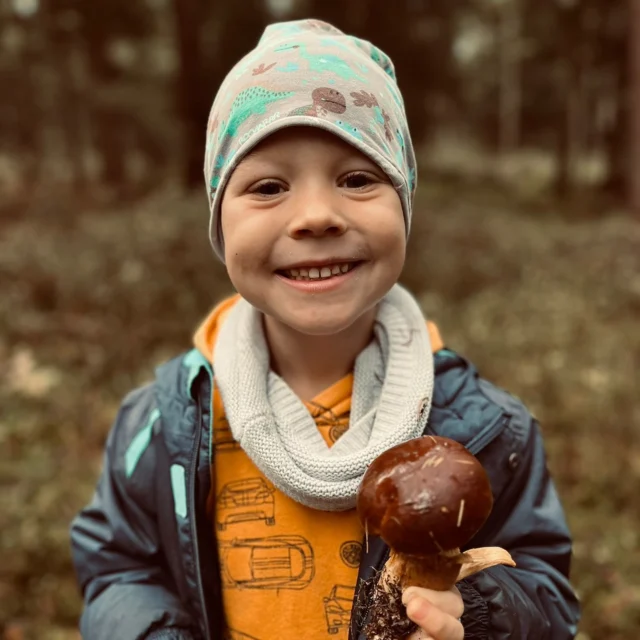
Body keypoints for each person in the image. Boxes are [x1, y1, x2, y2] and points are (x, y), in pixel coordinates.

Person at [70, 19, 580, 640]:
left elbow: (547, 590)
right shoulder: (165, 420)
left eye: (358, 178)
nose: (315, 215)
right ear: (219, 223)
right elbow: (119, 567)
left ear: (404, 204)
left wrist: (478, 615)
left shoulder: (489, 429)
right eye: (268, 186)